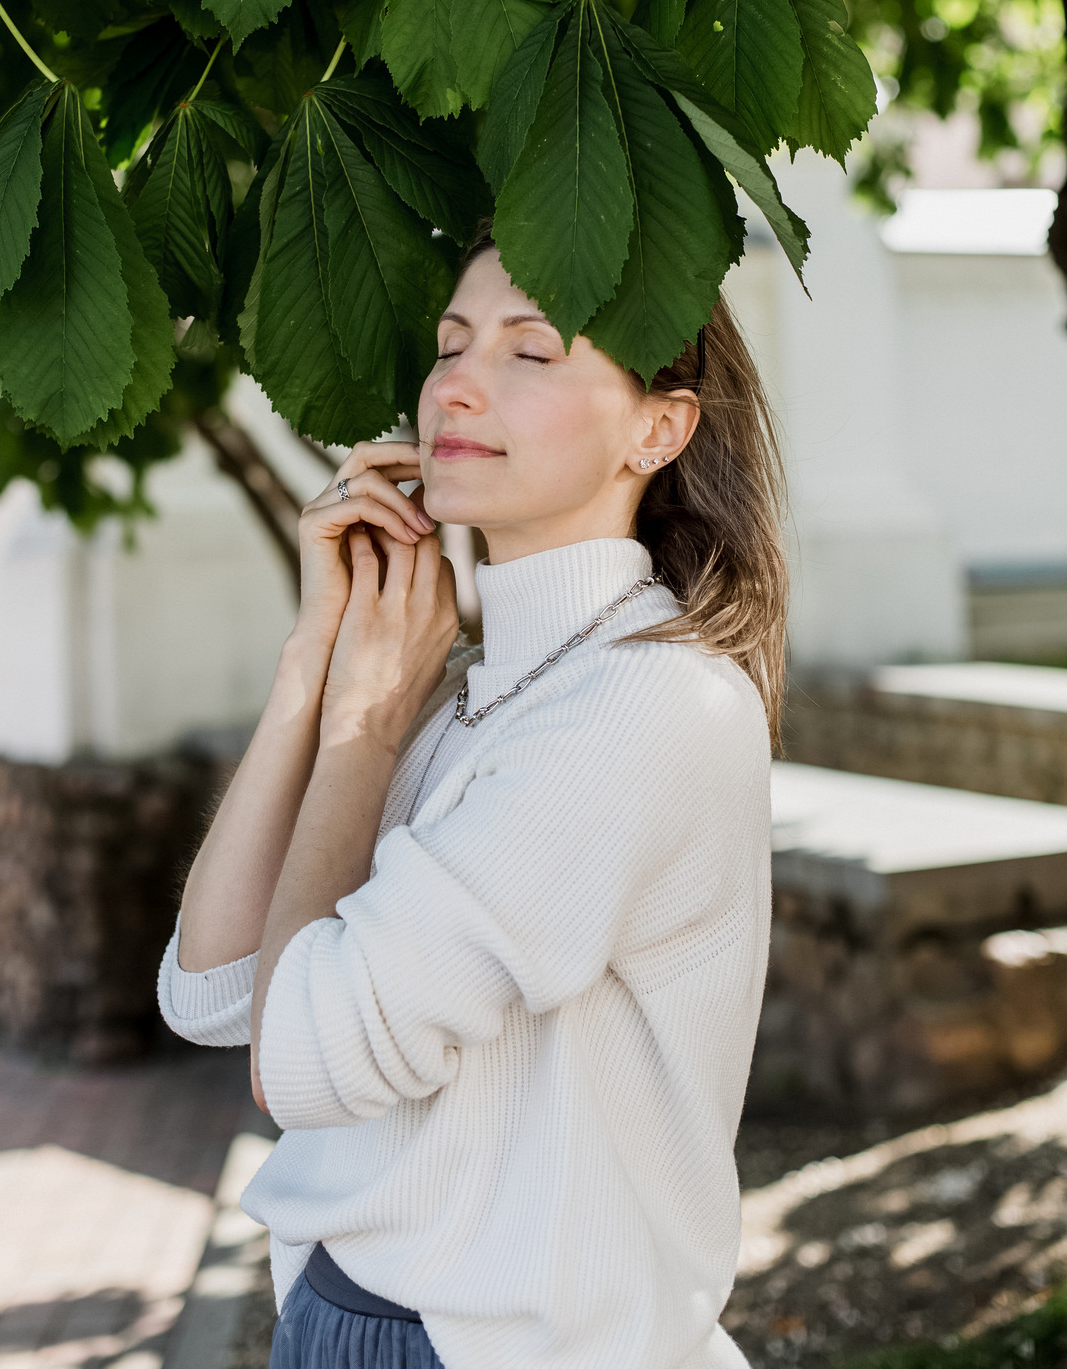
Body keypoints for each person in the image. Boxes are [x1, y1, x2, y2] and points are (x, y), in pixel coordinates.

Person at [158, 226, 788, 1369]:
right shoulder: (477, 689)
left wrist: (358, 731)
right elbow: (211, 989)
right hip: (350, 1314)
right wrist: (317, 659)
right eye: (450, 344)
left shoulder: (639, 710)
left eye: (528, 353)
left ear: (658, 426)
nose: (455, 381)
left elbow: (298, 1060)